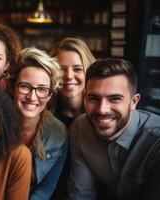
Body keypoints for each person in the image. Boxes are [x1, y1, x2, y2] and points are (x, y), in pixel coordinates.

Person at [68, 58, 160, 200]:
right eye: (93, 98)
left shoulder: (156, 141)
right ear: (85, 98)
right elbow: (81, 194)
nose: (102, 110)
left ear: (133, 102)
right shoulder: (80, 128)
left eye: (114, 99)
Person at [10, 47, 68, 200]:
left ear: (50, 95)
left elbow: (46, 188)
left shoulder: (59, 132)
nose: (32, 97)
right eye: (25, 86)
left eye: (42, 89)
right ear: (13, 87)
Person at [50, 37, 95, 127]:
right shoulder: (44, 113)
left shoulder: (98, 112)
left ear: (89, 72)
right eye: (61, 69)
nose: (69, 76)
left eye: (77, 69)